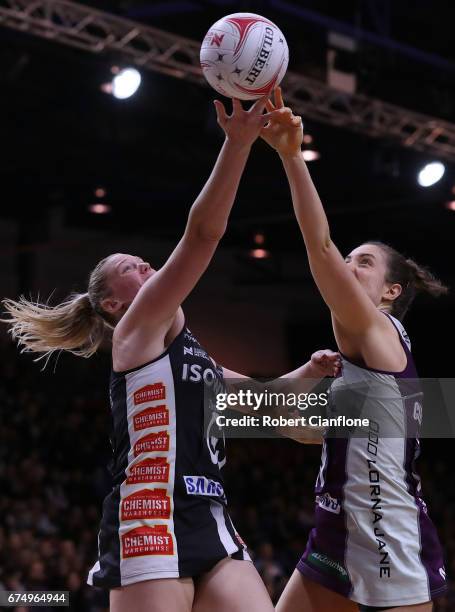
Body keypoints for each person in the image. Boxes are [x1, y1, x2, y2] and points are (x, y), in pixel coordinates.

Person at [2, 97, 339, 612]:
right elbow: (204, 234)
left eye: (141, 259)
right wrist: (237, 142)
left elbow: (261, 403)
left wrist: (307, 373)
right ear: (116, 303)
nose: (144, 263)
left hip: (210, 514)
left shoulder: (192, 355)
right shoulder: (132, 333)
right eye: (131, 268)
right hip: (150, 515)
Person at [260, 88, 449, 612]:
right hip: (336, 534)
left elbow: (319, 249)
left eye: (361, 262)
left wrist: (292, 157)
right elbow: (296, 430)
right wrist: (303, 378)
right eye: (350, 257)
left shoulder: (379, 333)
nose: (347, 264)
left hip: (388, 538)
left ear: (391, 292)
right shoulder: (362, 368)